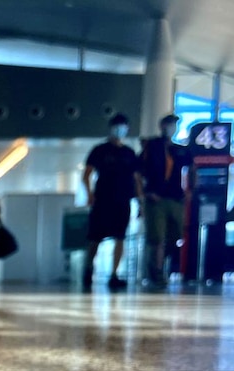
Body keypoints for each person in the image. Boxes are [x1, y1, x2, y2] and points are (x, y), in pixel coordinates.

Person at [81, 113, 144, 289]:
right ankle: (88, 269)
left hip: (122, 200)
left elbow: (136, 179)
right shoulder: (100, 150)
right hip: (102, 199)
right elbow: (87, 173)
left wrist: (140, 201)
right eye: (117, 126)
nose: (120, 130)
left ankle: (115, 273)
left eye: (123, 126)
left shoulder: (129, 153)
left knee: (120, 237)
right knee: (95, 237)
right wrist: (90, 194)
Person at [140, 114, 193, 287]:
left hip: (176, 198)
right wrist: (146, 193)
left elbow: (192, 167)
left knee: (176, 235)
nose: (171, 128)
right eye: (169, 124)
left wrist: (190, 190)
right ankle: (157, 269)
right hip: (156, 199)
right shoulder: (152, 147)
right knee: (158, 237)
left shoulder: (180, 150)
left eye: (174, 125)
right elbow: (139, 172)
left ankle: (160, 263)